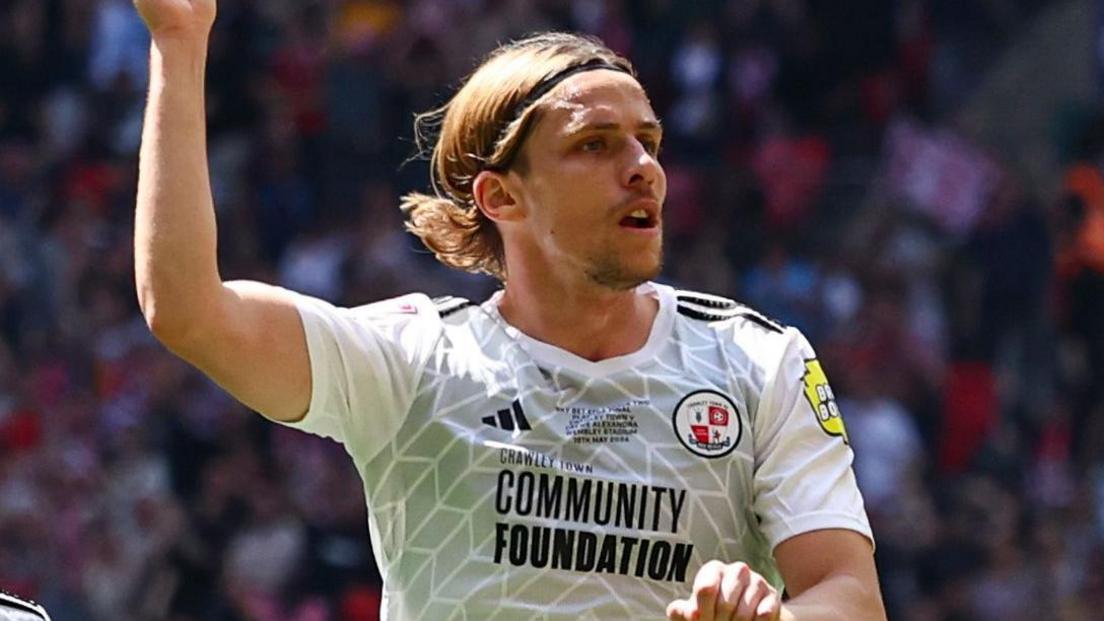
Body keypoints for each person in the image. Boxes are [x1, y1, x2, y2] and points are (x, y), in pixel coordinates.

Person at [132, 0, 887, 619]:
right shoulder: (415, 362)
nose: (644, 168)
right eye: (595, 145)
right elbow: (190, 310)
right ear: (501, 196)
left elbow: (848, 593)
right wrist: (180, 38)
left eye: (648, 141)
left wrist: (773, 620)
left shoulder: (757, 362)